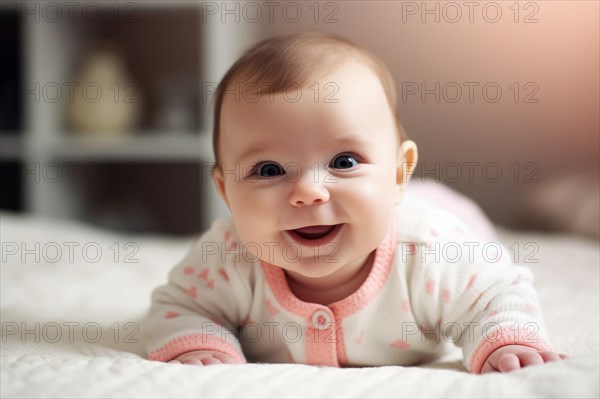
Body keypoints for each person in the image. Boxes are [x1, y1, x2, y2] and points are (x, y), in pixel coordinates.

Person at [144, 32, 568, 373]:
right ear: (226, 194)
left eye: (343, 162)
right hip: (375, 205)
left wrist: (506, 337)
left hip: (443, 213)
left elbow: (496, 294)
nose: (308, 192)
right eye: (269, 170)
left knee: (473, 242)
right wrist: (201, 343)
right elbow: (179, 307)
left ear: (399, 173)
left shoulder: (432, 251)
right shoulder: (228, 256)